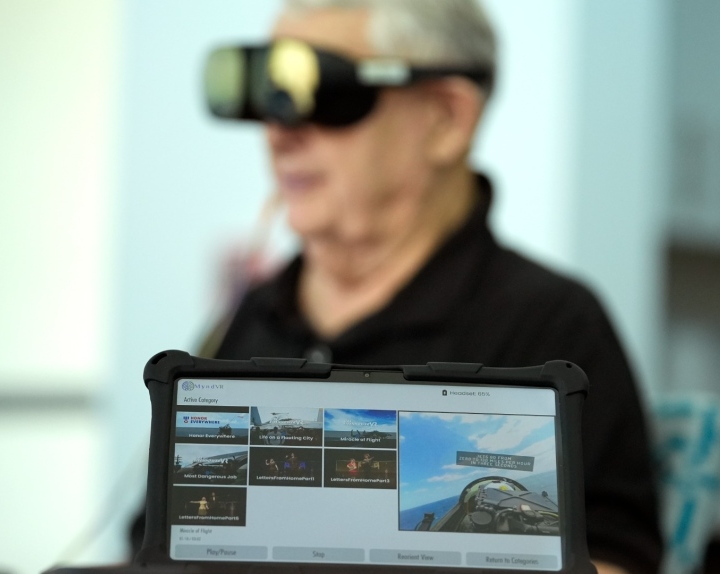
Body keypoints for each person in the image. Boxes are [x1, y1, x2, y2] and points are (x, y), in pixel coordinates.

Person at [134, 1, 662, 572]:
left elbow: (613, 558)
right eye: (270, 95)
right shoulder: (250, 317)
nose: (279, 133)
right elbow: (154, 543)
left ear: (446, 118)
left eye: (323, 90)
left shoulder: (553, 322)